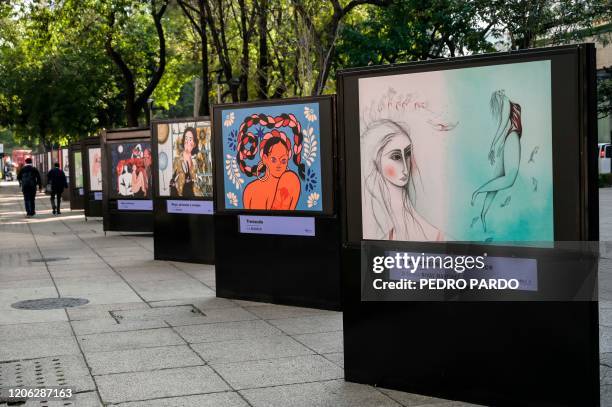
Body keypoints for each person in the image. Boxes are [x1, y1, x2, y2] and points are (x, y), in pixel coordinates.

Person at [362, 119, 443, 241]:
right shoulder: (376, 223)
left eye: (408, 153)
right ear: (376, 161)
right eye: (396, 157)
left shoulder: (432, 234)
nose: (405, 167)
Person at [471, 90, 523, 231]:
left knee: (498, 179)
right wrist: (494, 145)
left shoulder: (504, 101)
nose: (502, 90)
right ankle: (477, 192)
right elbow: (503, 124)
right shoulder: (504, 99)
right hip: (512, 137)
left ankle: (483, 213)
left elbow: (503, 124)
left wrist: (498, 145)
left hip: (507, 140)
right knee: (509, 179)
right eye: (500, 91)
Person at [237, 113, 305, 210]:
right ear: (265, 159)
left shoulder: (291, 182)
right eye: (273, 159)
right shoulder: (250, 190)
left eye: (283, 160)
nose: (279, 165)